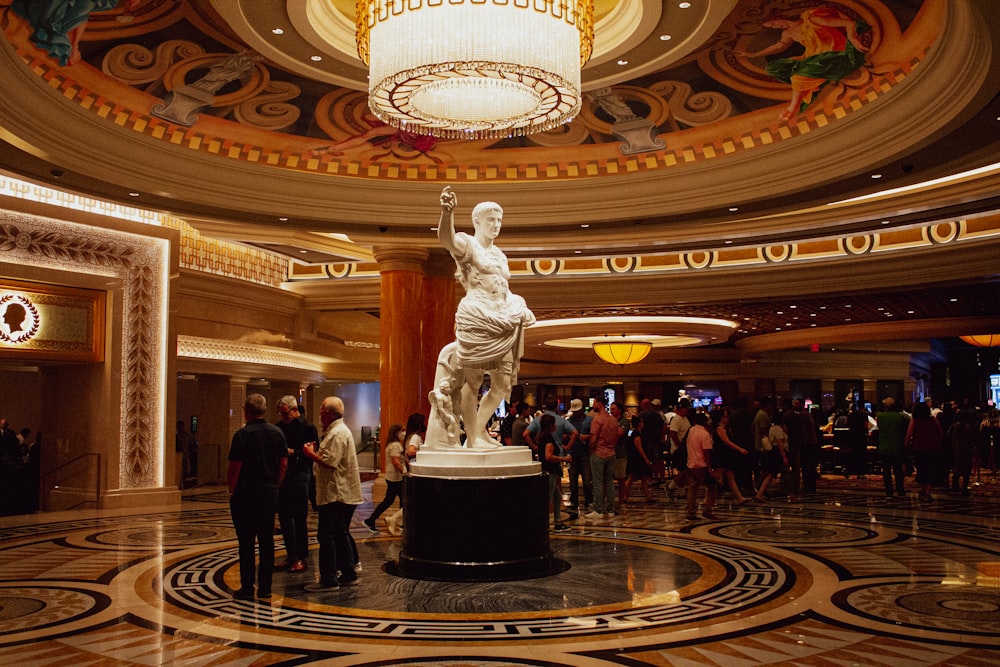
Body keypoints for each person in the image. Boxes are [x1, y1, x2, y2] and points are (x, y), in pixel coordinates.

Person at [435, 186, 536, 448]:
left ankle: (478, 432)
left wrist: (520, 307)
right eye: (491, 220)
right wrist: (448, 213)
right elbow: (446, 239)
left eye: (499, 220)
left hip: (502, 320)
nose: (496, 225)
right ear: (477, 221)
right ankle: (473, 437)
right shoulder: (468, 245)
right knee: (474, 382)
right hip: (478, 318)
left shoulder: (500, 256)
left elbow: (504, 288)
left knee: (502, 385)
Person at [734, 7, 870, 122]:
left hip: (834, 52)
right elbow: (778, 47)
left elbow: (849, 23)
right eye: (772, 27)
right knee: (773, 68)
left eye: (774, 23)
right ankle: (813, 78)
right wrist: (753, 55)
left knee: (798, 76)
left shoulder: (812, 20)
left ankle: (793, 107)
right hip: (813, 56)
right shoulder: (788, 33)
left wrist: (853, 39)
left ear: (779, 17)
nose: (776, 26)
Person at [227, 394, 287, 600]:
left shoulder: (242, 435)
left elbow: (235, 468)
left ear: (246, 411)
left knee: (246, 543)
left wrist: (231, 490)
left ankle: (247, 587)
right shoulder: (277, 433)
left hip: (245, 495)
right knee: (266, 542)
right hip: (268, 495)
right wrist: (274, 485)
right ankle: (266, 588)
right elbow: (283, 465)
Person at [302, 396, 363, 590]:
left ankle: (329, 579)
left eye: (321, 411)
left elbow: (330, 461)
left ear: (327, 413)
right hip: (342, 493)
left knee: (327, 535)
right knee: (339, 533)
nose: (319, 414)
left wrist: (310, 454)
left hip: (337, 493)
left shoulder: (337, 432)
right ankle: (348, 573)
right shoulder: (338, 431)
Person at [275, 396, 318, 573]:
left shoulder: (308, 427)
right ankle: (290, 554)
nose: (283, 416)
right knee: (284, 517)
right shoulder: (279, 428)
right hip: (284, 476)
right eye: (281, 413)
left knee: (299, 518)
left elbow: (313, 452)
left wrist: (293, 452)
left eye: (285, 413)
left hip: (300, 474)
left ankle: (301, 556)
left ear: (294, 410)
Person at [385, 413, 426, 536]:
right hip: (414, 471)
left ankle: (400, 521)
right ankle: (394, 519)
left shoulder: (411, 437)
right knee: (414, 501)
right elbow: (411, 451)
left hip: (411, 471)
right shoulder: (415, 437)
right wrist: (426, 451)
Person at [363, 423, 404, 531]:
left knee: (399, 500)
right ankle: (372, 520)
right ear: (397, 433)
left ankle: (398, 522)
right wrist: (405, 472)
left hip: (392, 477)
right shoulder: (395, 445)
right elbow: (396, 462)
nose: (404, 433)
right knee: (394, 500)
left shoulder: (390, 444)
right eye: (402, 430)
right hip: (396, 478)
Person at [586, 398, 621, 520]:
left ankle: (599, 510)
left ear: (599, 404)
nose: (593, 405)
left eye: (594, 403)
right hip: (611, 452)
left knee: (598, 482)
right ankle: (611, 509)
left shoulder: (597, 419)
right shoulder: (613, 420)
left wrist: (591, 450)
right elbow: (616, 436)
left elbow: (593, 438)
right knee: (609, 482)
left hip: (599, 453)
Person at [709, 409, 752, 505]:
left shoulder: (724, 428)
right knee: (716, 478)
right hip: (721, 456)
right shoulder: (720, 429)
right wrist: (740, 449)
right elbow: (727, 442)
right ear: (722, 418)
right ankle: (707, 499)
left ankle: (740, 498)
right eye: (726, 416)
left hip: (726, 456)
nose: (727, 418)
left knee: (731, 478)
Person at [539, 413, 571, 532]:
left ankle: (558, 522)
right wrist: (564, 459)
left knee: (557, 497)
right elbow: (548, 456)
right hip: (550, 471)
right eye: (554, 423)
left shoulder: (543, 436)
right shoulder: (548, 438)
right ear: (551, 425)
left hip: (549, 470)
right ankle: (543, 524)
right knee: (549, 497)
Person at [685, 412, 720, 521]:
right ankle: (708, 510)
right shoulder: (704, 434)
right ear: (705, 422)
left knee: (692, 488)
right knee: (712, 487)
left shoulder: (691, 430)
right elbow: (706, 453)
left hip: (691, 463)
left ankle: (691, 512)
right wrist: (710, 468)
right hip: (701, 465)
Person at [782, 398, 816, 502]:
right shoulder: (800, 415)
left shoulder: (802, 415)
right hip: (805, 443)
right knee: (805, 466)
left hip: (807, 443)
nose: (795, 405)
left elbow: (805, 430)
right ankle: (807, 486)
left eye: (797, 403)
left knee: (805, 466)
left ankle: (806, 486)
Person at [876, 397, 908, 498]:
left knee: (886, 471)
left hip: (884, 446)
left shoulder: (880, 416)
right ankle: (900, 489)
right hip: (897, 446)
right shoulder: (900, 417)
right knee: (898, 470)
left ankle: (888, 491)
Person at [566, 398, 593, 513]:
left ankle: (589, 501)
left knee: (587, 481)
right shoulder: (568, 421)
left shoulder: (589, 420)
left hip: (585, 453)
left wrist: (586, 437)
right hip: (572, 453)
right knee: (573, 481)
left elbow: (594, 435)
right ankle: (574, 502)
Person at [946, 409, 977, 497]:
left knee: (956, 468)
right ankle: (964, 488)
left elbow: (947, 435)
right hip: (966, 450)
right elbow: (972, 438)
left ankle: (955, 485)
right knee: (966, 470)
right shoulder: (968, 427)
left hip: (955, 449)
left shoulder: (953, 426)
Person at [624, 415, 654, 504]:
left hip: (635, 459)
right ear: (639, 424)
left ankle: (648, 496)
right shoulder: (636, 435)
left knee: (643, 479)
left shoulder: (637, 434)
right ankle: (625, 496)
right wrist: (646, 459)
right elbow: (639, 447)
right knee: (632, 478)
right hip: (637, 459)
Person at [610, 401, 631, 508]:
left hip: (620, 453)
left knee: (620, 478)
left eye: (613, 409)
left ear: (619, 410)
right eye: (610, 409)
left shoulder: (624, 422)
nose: (611, 411)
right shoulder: (609, 421)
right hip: (609, 453)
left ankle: (622, 499)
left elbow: (619, 434)